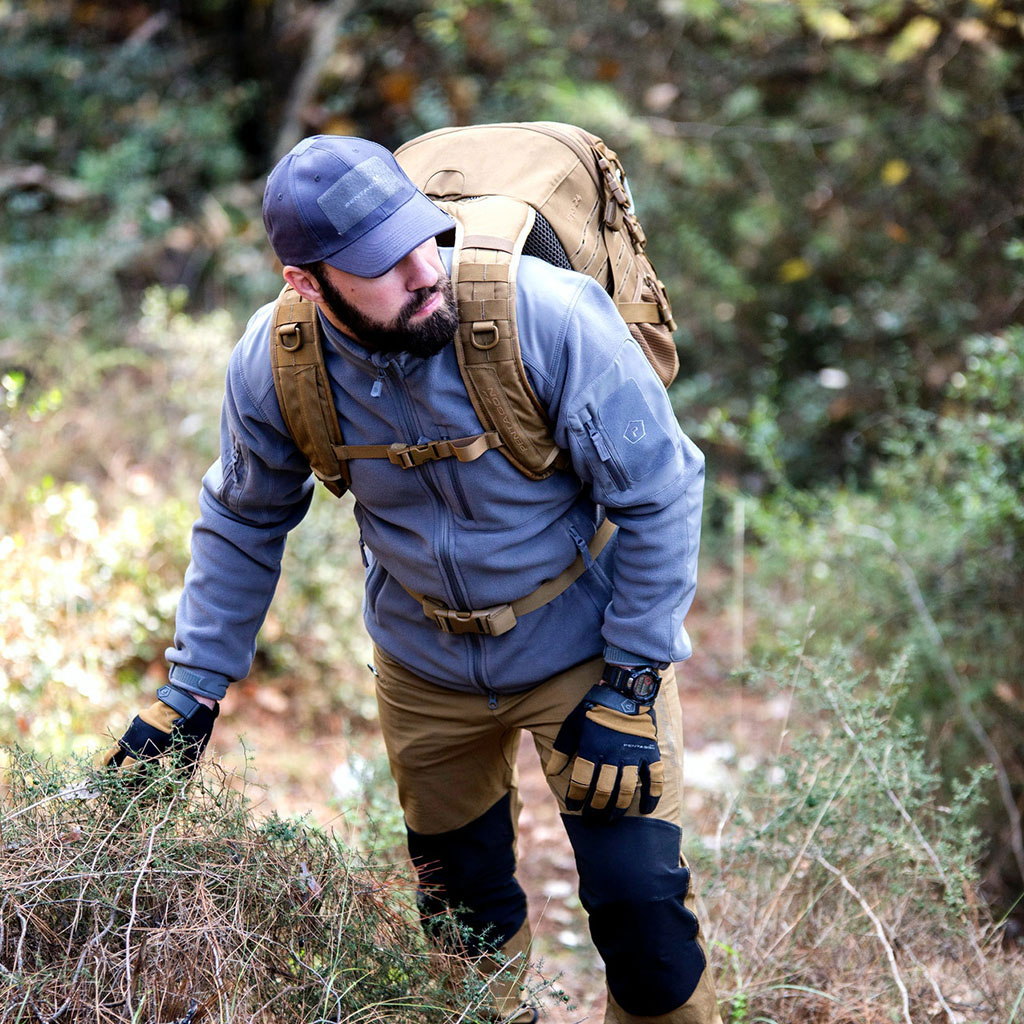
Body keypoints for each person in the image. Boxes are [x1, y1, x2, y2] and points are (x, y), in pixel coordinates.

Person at [101, 134, 722, 1024]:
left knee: (646, 924)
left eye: (419, 236)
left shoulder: (544, 315)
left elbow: (664, 487)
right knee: (462, 921)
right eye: (379, 263)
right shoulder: (278, 361)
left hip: (585, 650)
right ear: (306, 280)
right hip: (424, 671)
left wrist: (631, 679)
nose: (420, 268)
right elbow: (243, 517)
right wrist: (191, 691)